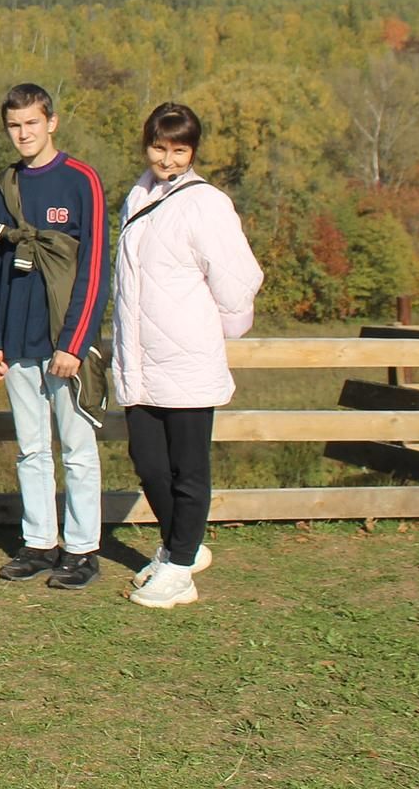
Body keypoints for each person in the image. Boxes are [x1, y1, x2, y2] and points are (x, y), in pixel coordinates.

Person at [113, 103, 262, 608]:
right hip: (141, 357)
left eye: (179, 150)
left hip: (187, 357)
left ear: (192, 151)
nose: (168, 159)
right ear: (146, 145)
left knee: (188, 468)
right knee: (148, 462)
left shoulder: (206, 204)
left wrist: (215, 328)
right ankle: (185, 547)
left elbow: (238, 278)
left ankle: (179, 567)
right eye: (160, 147)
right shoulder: (138, 195)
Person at [0, 83, 112, 590]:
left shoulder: (81, 180)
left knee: (77, 447)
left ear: (51, 122)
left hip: (63, 340)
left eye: (32, 123)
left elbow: (95, 268)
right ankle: (39, 542)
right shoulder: (2, 187)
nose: (23, 133)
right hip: (17, 339)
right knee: (30, 448)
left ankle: (82, 548)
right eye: (14, 125)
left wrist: (74, 342)